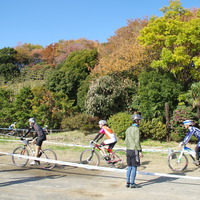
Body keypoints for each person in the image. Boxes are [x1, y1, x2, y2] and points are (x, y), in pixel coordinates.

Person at [125, 114, 143, 188]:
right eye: (139, 120)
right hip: (134, 149)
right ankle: (132, 183)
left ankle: (127, 182)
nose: (140, 121)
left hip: (128, 149)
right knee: (134, 167)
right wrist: (140, 151)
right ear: (137, 120)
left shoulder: (128, 129)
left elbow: (126, 140)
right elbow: (137, 140)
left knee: (129, 167)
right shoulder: (136, 129)